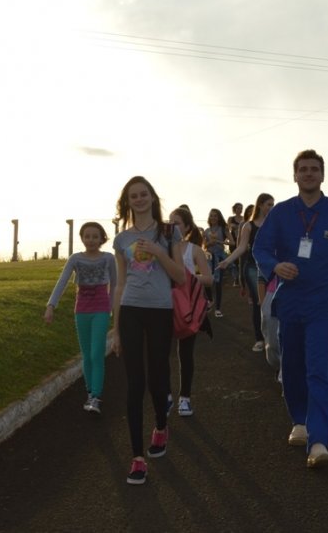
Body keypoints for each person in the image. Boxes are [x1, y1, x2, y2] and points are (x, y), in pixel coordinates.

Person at [253, 150, 328, 469]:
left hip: (325, 304)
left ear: (323, 175)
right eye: (303, 169)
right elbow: (260, 248)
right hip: (291, 302)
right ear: (295, 175)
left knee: (319, 368)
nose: (309, 174)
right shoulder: (283, 212)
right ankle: (299, 420)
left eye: (315, 169)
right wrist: (276, 265)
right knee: (294, 366)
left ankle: (319, 441)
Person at [112, 176, 185, 485]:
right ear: (127, 202)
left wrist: (158, 251)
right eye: (133, 196)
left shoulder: (170, 232)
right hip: (130, 310)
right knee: (134, 383)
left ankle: (160, 425)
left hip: (160, 310)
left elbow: (180, 276)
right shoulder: (121, 239)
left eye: (144, 194)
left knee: (157, 379)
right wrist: (115, 330)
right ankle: (137, 457)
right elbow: (119, 285)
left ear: (153, 198)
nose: (139, 199)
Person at [43, 222, 117, 414]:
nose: (91, 240)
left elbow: (115, 286)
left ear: (102, 239)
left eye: (95, 236)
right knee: (86, 354)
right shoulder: (75, 259)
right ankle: (90, 393)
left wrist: (113, 309)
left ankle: (96, 396)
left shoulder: (109, 258)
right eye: (87, 236)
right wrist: (51, 305)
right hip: (81, 310)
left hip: (101, 309)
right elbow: (62, 281)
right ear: (82, 238)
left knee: (96, 353)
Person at [170, 207, 214, 417]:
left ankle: (184, 398)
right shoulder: (162, 248)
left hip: (187, 307)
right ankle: (166, 395)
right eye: (169, 222)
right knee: (158, 354)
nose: (172, 226)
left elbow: (209, 278)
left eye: (177, 222)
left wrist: (186, 279)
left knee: (185, 354)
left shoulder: (194, 250)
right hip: (163, 305)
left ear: (187, 226)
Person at [217, 194, 274, 352]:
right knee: (259, 302)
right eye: (269, 204)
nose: (271, 207)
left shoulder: (274, 223)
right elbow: (241, 247)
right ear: (260, 205)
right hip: (252, 267)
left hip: (271, 267)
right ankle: (260, 339)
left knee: (271, 302)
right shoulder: (248, 226)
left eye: (273, 204)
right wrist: (228, 261)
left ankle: (271, 337)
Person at [204, 208, 232, 318]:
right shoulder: (206, 231)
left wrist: (219, 242)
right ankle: (210, 300)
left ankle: (218, 309)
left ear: (219, 217)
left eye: (215, 215)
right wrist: (209, 243)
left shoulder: (223, 228)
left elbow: (232, 242)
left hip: (220, 257)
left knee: (218, 283)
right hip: (209, 258)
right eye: (211, 215)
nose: (213, 218)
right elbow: (204, 245)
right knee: (207, 280)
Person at [226, 202, 244, 287]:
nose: (240, 210)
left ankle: (242, 278)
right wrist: (231, 226)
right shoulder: (231, 218)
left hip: (241, 241)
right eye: (238, 208)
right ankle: (236, 278)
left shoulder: (244, 218)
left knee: (242, 260)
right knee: (234, 261)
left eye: (241, 208)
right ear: (235, 209)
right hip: (233, 241)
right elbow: (228, 228)